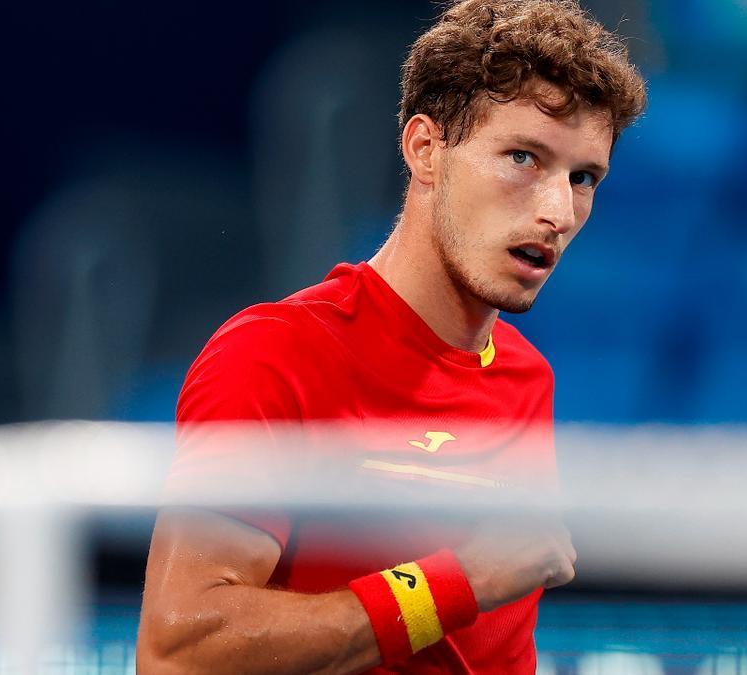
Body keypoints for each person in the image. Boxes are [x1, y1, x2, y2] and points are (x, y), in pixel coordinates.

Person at [136, 0, 645, 672]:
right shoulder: (275, 353)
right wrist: (454, 583)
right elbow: (178, 652)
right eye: (523, 156)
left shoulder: (526, 377)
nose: (558, 211)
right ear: (425, 150)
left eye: (583, 178)